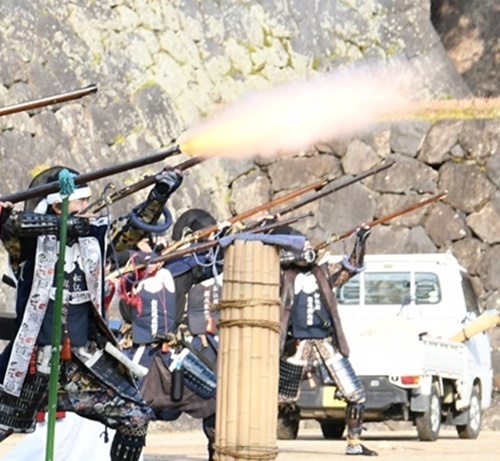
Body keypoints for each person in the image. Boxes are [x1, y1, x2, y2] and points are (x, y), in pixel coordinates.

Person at [0, 165, 183, 461]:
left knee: (135, 416)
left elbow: (133, 228)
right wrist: (57, 225)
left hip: (84, 364)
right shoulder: (27, 241)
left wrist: (158, 195)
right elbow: (9, 225)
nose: (87, 205)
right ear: (59, 205)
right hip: (32, 365)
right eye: (79, 201)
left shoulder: (95, 235)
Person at [112, 208, 222, 461]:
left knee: (216, 399)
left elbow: (213, 260)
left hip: (175, 352)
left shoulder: (186, 262)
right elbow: (126, 306)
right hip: (140, 354)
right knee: (130, 415)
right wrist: (143, 262)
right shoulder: (130, 261)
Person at [276, 225, 378, 456]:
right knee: (275, 398)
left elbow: (352, 266)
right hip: (296, 346)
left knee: (356, 395)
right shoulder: (281, 276)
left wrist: (360, 241)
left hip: (325, 344)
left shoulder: (324, 273)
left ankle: (354, 443)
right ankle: (254, 438)